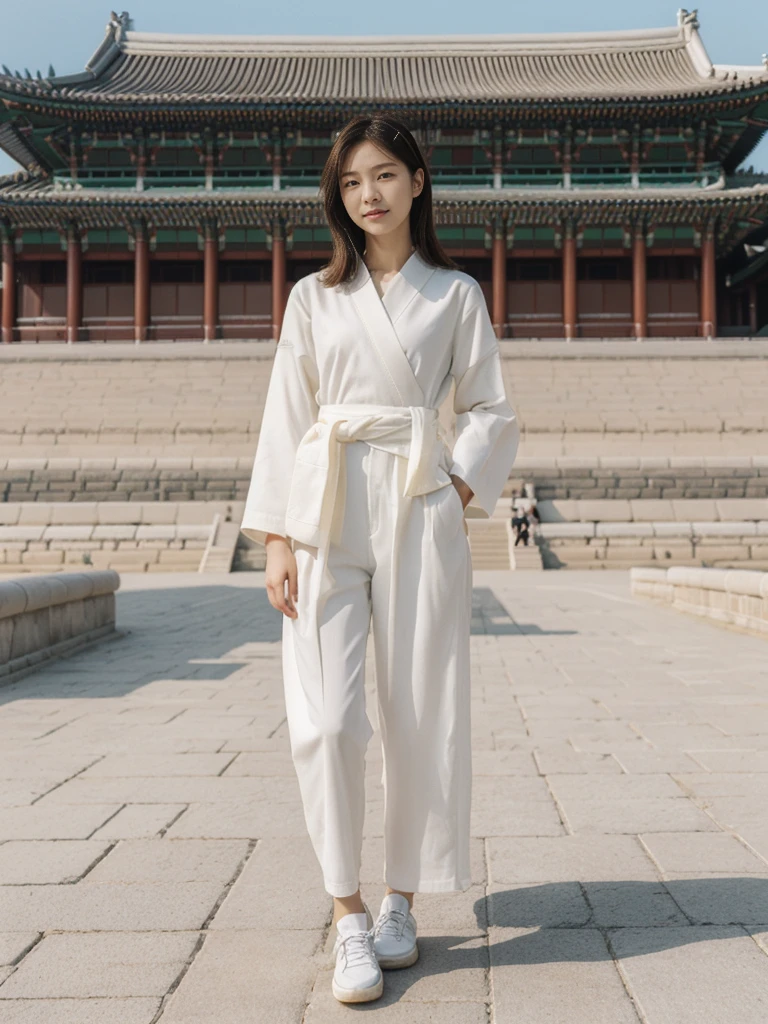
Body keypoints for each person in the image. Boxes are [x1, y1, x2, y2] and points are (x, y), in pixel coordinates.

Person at [241, 112, 519, 1004]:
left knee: (420, 703)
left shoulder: (456, 294)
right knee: (327, 718)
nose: (371, 194)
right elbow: (288, 413)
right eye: (354, 181)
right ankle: (347, 913)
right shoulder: (313, 297)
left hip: (416, 501)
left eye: (387, 175)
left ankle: (401, 900)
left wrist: (456, 490)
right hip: (324, 500)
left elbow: (490, 409)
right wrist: (277, 537)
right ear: (340, 195)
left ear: (419, 182)